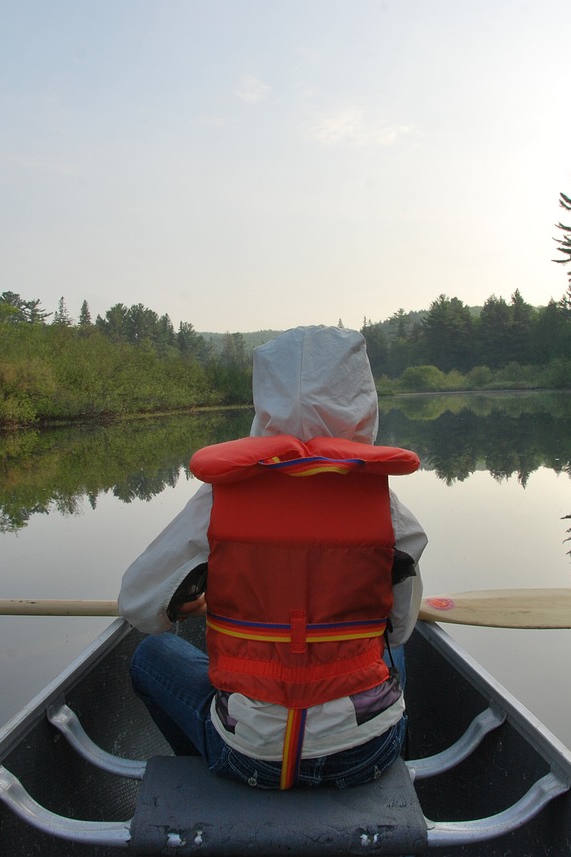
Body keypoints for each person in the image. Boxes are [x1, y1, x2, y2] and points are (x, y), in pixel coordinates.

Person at [119, 325, 427, 790]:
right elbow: (399, 628)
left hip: (253, 759)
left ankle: (210, 772)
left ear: (266, 399)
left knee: (150, 653)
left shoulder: (218, 501)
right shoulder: (388, 512)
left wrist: (191, 598)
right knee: (397, 648)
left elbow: (139, 607)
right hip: (367, 754)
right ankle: (397, 767)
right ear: (361, 398)